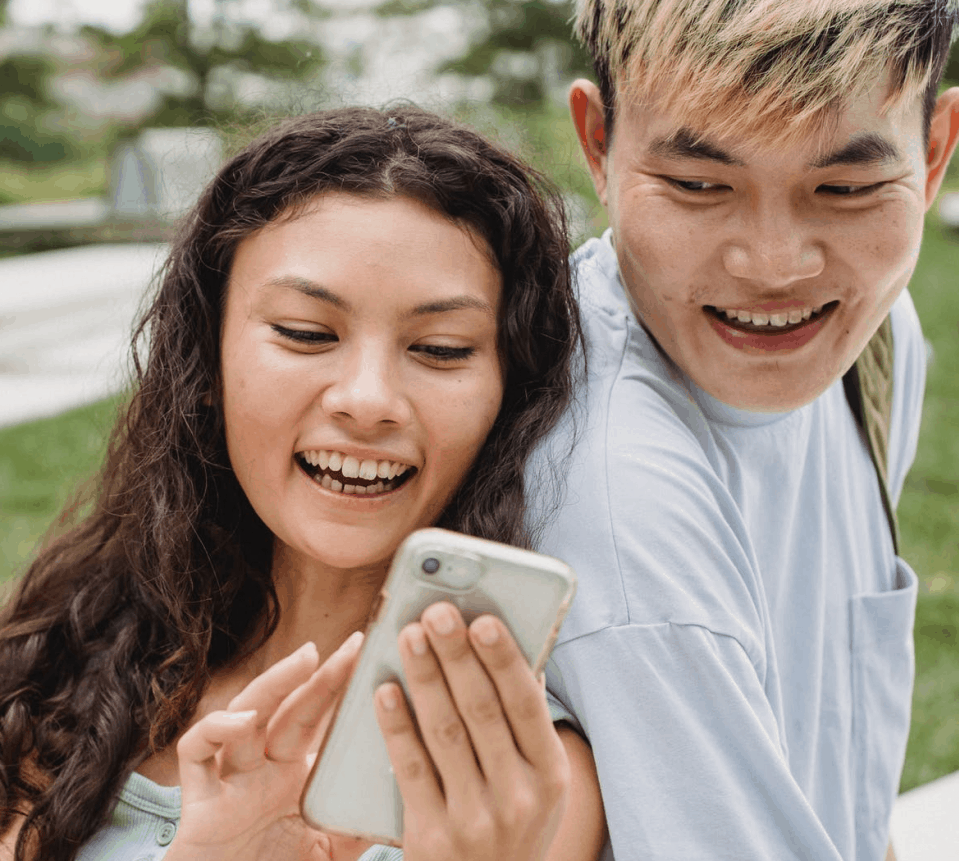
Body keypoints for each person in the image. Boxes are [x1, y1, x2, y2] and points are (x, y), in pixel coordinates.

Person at [0, 106, 607, 861]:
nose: (368, 399)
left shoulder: (516, 784)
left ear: (508, 394)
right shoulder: (58, 665)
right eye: (306, 333)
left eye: (442, 348)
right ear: (206, 363)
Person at [525, 1, 959, 859]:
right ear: (597, 148)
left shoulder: (875, 345)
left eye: (845, 189)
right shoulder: (620, 506)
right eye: (698, 185)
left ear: (936, 153)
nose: (774, 265)